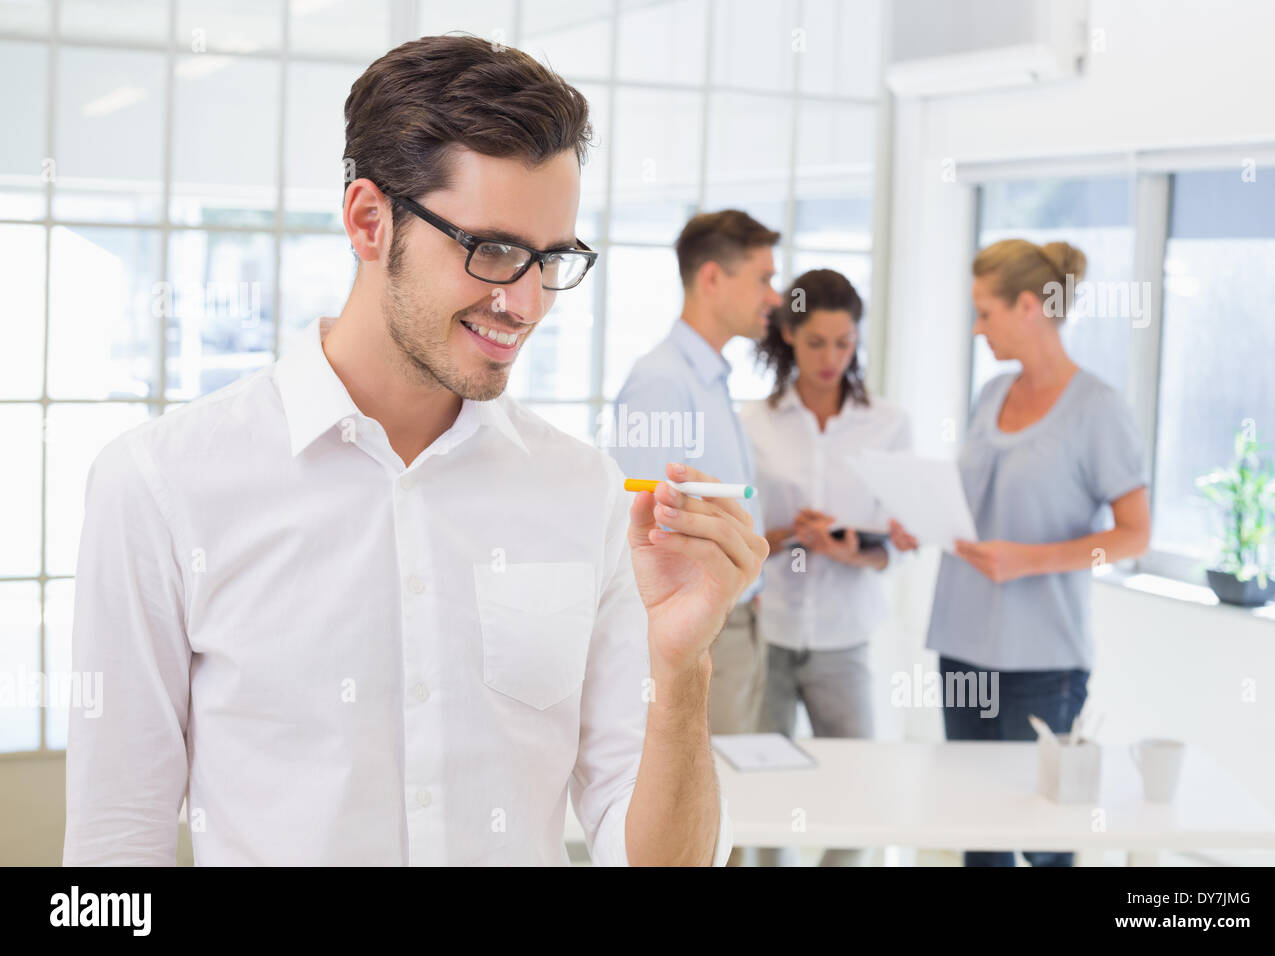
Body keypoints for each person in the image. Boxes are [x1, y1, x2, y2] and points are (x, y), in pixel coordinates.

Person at [62, 35, 768, 867]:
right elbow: (117, 844)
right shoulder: (160, 485)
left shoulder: (582, 491)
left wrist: (682, 670)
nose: (527, 302)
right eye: (494, 249)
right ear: (369, 220)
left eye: (552, 259)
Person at [890, 238, 1150, 867]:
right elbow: (974, 506)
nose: (977, 328)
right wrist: (918, 523)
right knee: (979, 833)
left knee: (1043, 841)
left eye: (985, 312)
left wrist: (1027, 561)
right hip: (962, 647)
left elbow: (1134, 536)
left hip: (1044, 664)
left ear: (1029, 306)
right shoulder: (992, 394)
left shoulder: (1098, 408)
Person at [741, 269, 911, 867]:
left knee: (858, 790)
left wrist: (841, 545)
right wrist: (789, 534)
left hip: (845, 634)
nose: (831, 358)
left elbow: (889, 547)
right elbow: (739, 536)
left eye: (844, 343)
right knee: (761, 788)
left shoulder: (888, 425)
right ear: (789, 334)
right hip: (771, 630)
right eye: (817, 342)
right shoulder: (753, 423)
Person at [608, 211, 782, 742]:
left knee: (733, 791)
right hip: (705, 629)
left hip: (736, 621)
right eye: (763, 279)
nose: (774, 297)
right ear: (712, 278)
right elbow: (646, 532)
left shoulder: (708, 379)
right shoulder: (662, 382)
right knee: (709, 798)